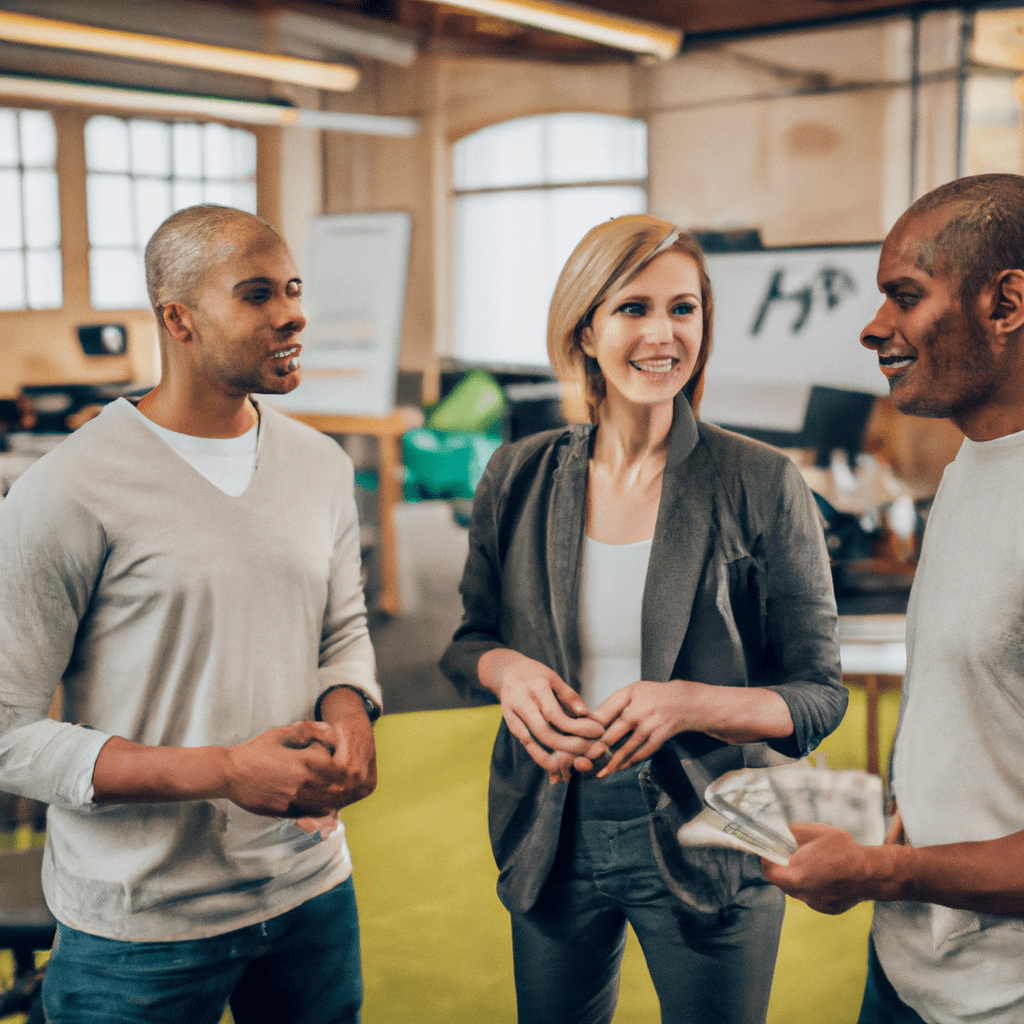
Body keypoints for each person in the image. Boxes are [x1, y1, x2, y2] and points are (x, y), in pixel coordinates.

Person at [440, 214, 847, 1024]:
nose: (663, 333)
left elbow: (817, 697)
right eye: (633, 308)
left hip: (715, 827)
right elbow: (468, 643)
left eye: (683, 309)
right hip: (552, 825)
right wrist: (506, 670)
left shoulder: (761, 480)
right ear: (585, 327)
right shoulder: (518, 474)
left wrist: (688, 703)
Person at [0, 204, 382, 1024]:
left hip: (309, 889)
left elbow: (341, 633)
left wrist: (352, 716)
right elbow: (7, 736)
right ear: (177, 319)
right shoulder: (67, 489)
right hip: (138, 924)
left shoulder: (319, 466)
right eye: (256, 294)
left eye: (292, 289)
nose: (292, 314)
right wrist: (225, 771)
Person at [761, 172, 1024, 1024]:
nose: (875, 328)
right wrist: (895, 827)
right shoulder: (971, 464)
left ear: (1007, 303)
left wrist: (881, 872)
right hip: (911, 970)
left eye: (904, 297)